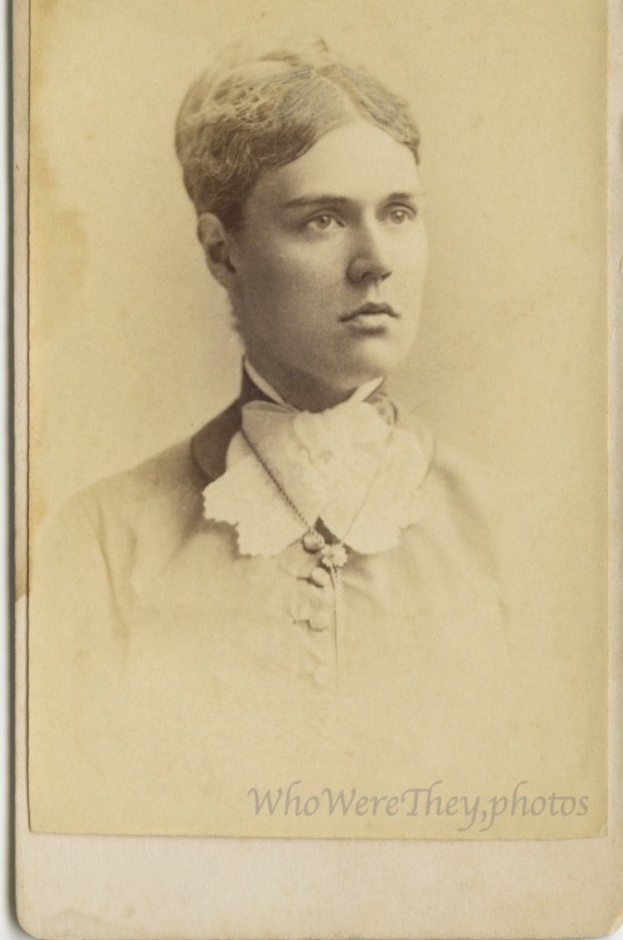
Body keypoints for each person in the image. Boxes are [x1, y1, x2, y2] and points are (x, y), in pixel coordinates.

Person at [28, 40, 516, 838]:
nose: (375, 262)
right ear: (222, 251)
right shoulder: (103, 538)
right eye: (322, 219)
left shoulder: (511, 529)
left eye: (399, 212)